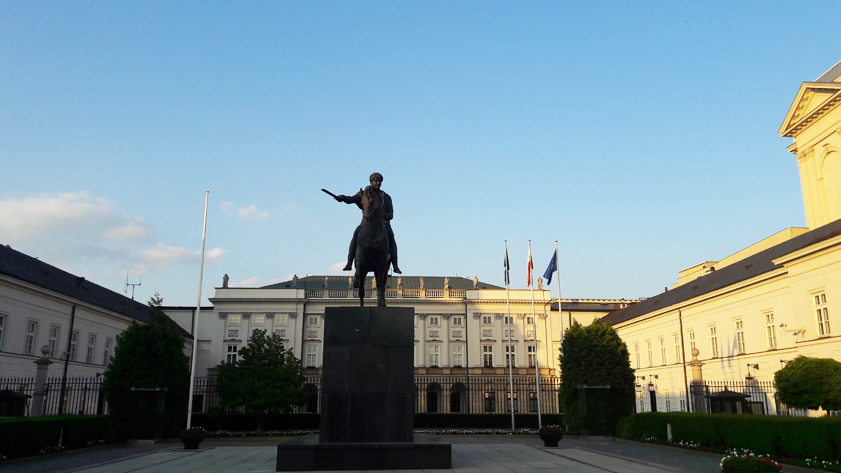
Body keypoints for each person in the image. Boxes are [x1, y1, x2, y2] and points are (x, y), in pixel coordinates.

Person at [334, 172, 402, 274]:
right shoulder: (364, 194)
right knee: (356, 233)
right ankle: (349, 262)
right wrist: (342, 198)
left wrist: (381, 217)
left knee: (391, 237)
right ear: (371, 181)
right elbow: (351, 199)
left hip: (383, 224)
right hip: (366, 223)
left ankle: (395, 265)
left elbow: (391, 214)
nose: (378, 183)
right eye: (376, 181)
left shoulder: (386, 197)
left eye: (380, 181)